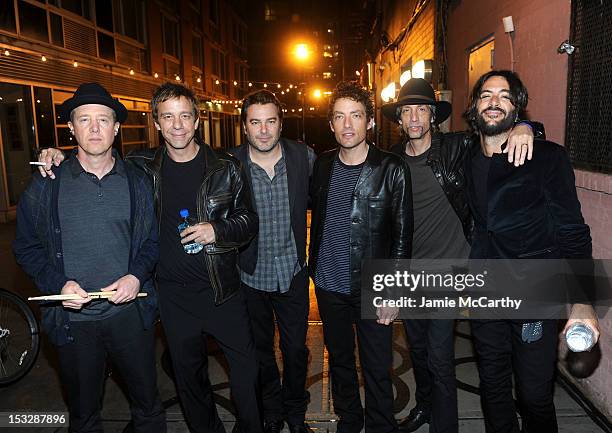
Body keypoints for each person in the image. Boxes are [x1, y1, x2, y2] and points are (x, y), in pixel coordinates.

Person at [37, 83, 262, 433]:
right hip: (173, 297)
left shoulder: (225, 166)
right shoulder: (141, 167)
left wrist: (218, 230)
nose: (177, 125)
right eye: (167, 116)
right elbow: (95, 158)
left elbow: (249, 221)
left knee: (247, 375)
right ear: (156, 123)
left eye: (185, 115)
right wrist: (57, 155)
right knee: (189, 381)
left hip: (222, 291)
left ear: (197, 120)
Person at [381, 78, 537, 433]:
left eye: (422, 109)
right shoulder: (390, 161)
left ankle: (444, 425)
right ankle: (423, 406)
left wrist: (527, 126)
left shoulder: (457, 147)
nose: (415, 117)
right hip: (410, 273)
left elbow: (497, 130)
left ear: (433, 116)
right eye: (407, 111)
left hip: (450, 270)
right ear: (400, 120)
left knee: (438, 357)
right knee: (417, 352)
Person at [13, 82, 166, 432]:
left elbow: (152, 242)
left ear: (116, 127)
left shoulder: (137, 181)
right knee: (83, 416)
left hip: (129, 317)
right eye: (85, 120)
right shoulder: (46, 184)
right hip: (74, 325)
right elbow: (25, 246)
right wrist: (58, 283)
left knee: (148, 408)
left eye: (103, 119)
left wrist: (136, 276)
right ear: (70, 127)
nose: (94, 128)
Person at [463, 70, 600, 433]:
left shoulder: (547, 159)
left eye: (505, 96)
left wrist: (583, 300)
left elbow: (573, 232)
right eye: (486, 95)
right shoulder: (465, 156)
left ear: (517, 107)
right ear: (474, 106)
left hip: (534, 297)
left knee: (534, 395)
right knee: (492, 387)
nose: (494, 102)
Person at [308, 81, 413, 433]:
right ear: (331, 125)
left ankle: (381, 426)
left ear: (369, 122)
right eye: (339, 117)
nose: (347, 124)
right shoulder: (322, 165)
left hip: (374, 286)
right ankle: (349, 423)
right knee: (339, 363)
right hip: (327, 283)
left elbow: (402, 235)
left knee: (377, 367)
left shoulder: (391, 168)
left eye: (355, 116)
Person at [229, 90, 315, 433]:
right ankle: (272, 410)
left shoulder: (303, 157)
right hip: (251, 276)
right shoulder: (229, 164)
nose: (263, 130)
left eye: (270, 121)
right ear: (245, 127)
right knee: (260, 352)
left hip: (292, 273)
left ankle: (296, 412)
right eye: (255, 122)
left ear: (281, 123)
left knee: (295, 351)